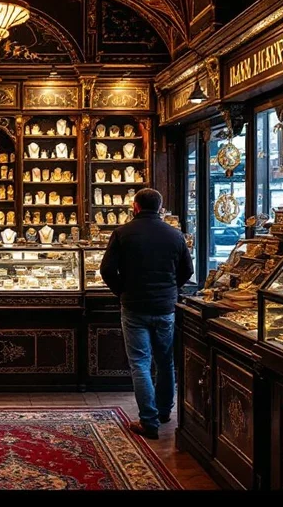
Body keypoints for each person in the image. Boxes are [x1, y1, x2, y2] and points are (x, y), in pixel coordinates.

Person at [100, 188, 193, 439]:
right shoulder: (175, 235)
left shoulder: (122, 233)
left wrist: (122, 292)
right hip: (165, 307)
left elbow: (107, 270)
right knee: (165, 362)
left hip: (134, 307)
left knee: (140, 363)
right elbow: (188, 270)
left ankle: (148, 420)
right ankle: (164, 412)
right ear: (160, 208)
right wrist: (171, 289)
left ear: (135, 206)